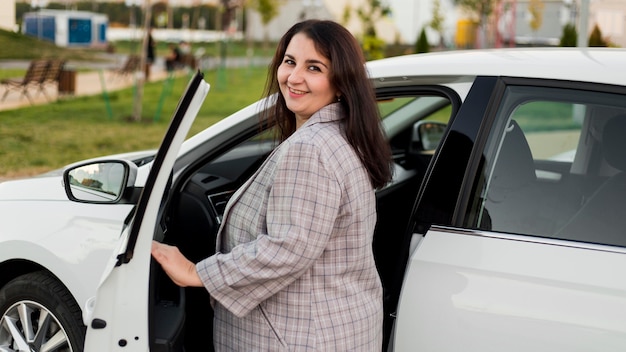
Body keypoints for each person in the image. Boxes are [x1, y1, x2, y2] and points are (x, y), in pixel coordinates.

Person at [151, 19, 393, 351]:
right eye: (290, 61)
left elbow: (286, 249)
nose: (294, 78)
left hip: (295, 336)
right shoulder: (347, 136)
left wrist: (197, 273)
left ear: (340, 82)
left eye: (314, 67)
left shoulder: (310, 149)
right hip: (342, 326)